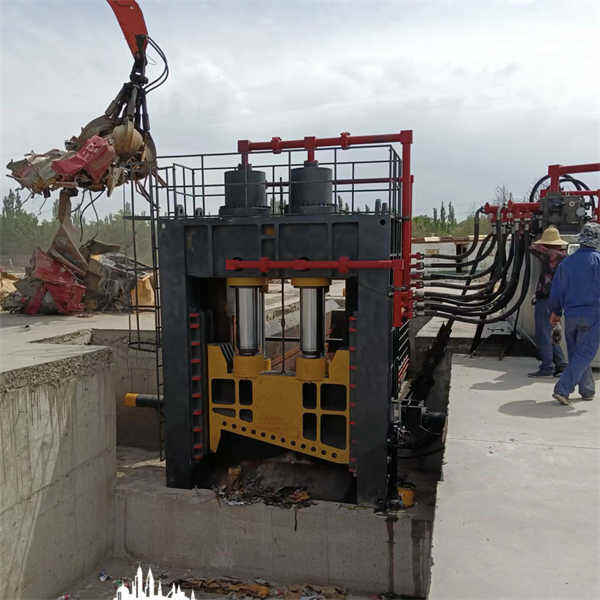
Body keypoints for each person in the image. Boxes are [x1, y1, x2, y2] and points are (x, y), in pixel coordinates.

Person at [549, 221, 600, 405]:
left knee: (577, 353)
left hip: (570, 316)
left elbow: (557, 291)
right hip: (593, 315)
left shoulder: (567, 263)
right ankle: (562, 389)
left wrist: (555, 312)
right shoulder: (598, 261)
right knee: (585, 354)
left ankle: (587, 389)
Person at [528, 226, 568, 377]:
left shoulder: (551, 254)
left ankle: (547, 368)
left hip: (546, 299)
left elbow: (532, 248)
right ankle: (561, 363)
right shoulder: (564, 255)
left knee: (543, 334)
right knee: (552, 333)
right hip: (557, 300)